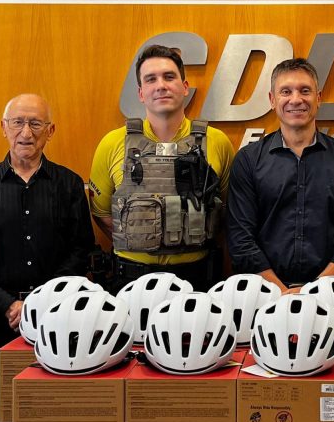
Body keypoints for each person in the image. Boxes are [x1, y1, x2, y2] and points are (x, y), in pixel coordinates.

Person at [0, 94, 95, 414]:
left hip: (59, 318)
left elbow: (81, 250)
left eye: (35, 124)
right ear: (4, 127)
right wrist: (8, 304)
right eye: (17, 123)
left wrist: (42, 301)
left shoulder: (69, 185)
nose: (26, 133)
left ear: (50, 131)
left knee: (55, 413)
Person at [88, 44, 235, 291]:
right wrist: (140, 236)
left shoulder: (217, 142)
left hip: (198, 280)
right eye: (151, 79)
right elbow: (101, 213)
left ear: (185, 87)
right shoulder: (112, 143)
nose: (161, 86)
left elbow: (228, 209)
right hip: (131, 281)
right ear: (141, 93)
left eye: (169, 77)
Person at [226, 58, 334, 291]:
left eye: (305, 90)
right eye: (286, 91)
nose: (296, 99)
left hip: (329, 295)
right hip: (264, 294)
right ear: (272, 100)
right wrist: (282, 292)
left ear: (318, 98)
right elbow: (240, 240)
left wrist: (311, 292)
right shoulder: (248, 161)